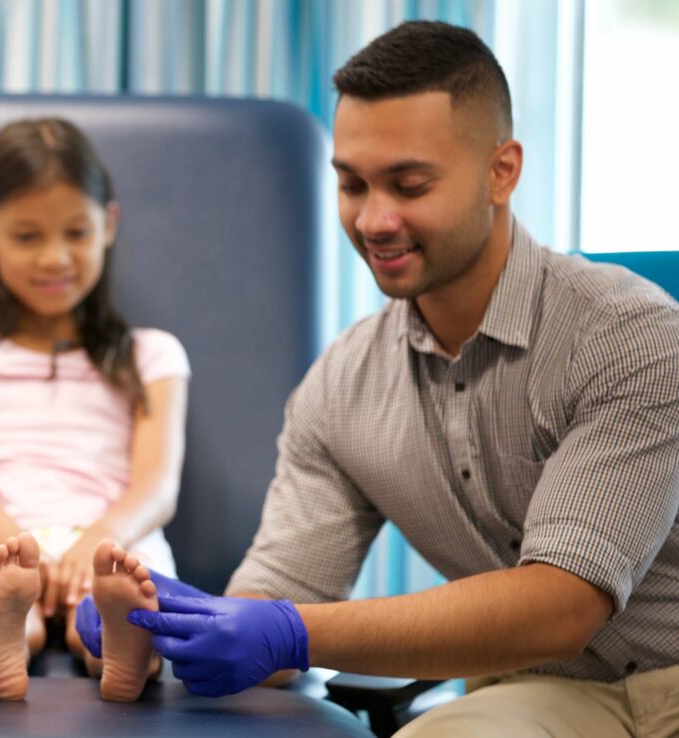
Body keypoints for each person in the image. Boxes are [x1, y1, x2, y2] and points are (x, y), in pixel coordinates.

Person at [84, 21, 679, 737]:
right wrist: (172, 619)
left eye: (409, 183)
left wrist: (291, 631)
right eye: (351, 183)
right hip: (547, 692)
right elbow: (276, 605)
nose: (374, 219)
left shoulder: (632, 338)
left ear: (503, 171)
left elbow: (562, 606)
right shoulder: (340, 388)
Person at [0, 117, 190, 702]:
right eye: (27, 237)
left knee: (126, 599)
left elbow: (158, 487)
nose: (55, 259)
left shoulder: (152, 355)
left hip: (114, 545)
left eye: (75, 233)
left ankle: (125, 648)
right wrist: (18, 553)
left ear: (108, 225)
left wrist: (94, 544)